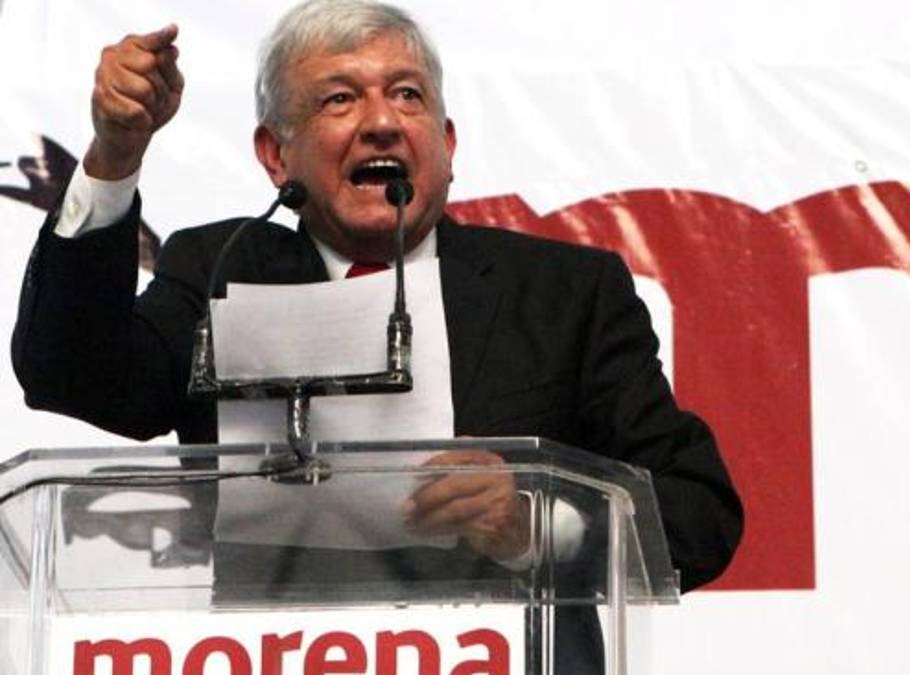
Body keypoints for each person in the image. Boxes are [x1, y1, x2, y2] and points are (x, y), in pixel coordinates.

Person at [12, 0, 742, 670]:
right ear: (275, 154)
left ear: (447, 145)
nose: (383, 122)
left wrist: (534, 523)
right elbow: (68, 373)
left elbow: (699, 513)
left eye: (408, 95)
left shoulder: (564, 293)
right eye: (339, 98)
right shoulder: (220, 271)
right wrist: (114, 157)